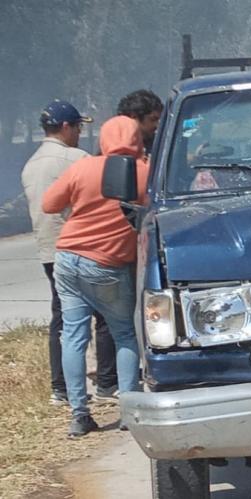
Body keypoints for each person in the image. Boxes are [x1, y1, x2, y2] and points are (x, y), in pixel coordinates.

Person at [42, 116, 148, 437]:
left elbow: (49, 204)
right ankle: (129, 412)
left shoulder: (83, 167)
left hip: (68, 258)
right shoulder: (145, 172)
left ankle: (79, 414)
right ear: (137, 139)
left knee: (73, 336)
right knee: (125, 335)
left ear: (103, 140)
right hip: (108, 265)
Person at [20, 100, 120, 406]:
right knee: (104, 314)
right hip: (84, 246)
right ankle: (106, 383)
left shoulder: (31, 164)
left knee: (61, 318)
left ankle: (60, 388)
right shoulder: (76, 158)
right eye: (77, 127)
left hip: (50, 251)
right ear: (65, 127)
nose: (79, 132)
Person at [116, 89, 163, 155]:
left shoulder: (159, 147)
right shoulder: (113, 147)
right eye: (153, 119)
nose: (157, 125)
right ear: (134, 118)